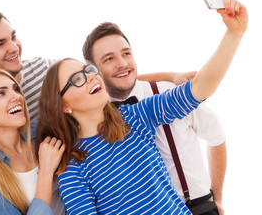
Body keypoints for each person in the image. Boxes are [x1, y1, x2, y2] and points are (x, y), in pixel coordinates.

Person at [0, 7, 189, 210]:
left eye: (13, 37)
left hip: (76, 188)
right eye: (0, 44)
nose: (13, 47)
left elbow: (97, 83)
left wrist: (170, 75)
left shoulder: (44, 71)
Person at [35, 0, 247, 215]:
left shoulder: (134, 116)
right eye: (76, 79)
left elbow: (198, 89)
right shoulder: (72, 165)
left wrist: (234, 33)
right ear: (63, 106)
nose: (90, 77)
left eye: (88, 70)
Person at [81, 20, 226, 214]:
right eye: (109, 59)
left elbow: (216, 136)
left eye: (126, 53)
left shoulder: (168, 92)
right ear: (92, 70)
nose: (123, 63)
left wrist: (216, 198)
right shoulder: (94, 117)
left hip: (196, 206)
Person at [0, 68, 65, 214]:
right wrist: (46, 172)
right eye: (1, 93)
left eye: (15, 89)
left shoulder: (45, 132)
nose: (17, 97)